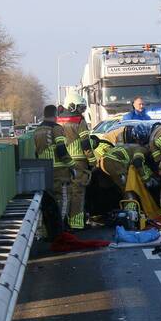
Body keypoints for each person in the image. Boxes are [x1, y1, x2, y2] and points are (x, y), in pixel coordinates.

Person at [33, 104, 73, 238]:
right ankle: (59, 230)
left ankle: (44, 232)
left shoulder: (37, 130)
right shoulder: (56, 128)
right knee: (62, 198)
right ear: (56, 115)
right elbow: (62, 150)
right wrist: (73, 165)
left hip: (43, 170)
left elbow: (36, 152)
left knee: (46, 201)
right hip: (59, 171)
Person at [59, 90, 96, 230]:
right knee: (77, 193)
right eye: (81, 108)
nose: (82, 111)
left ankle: (63, 222)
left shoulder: (57, 121)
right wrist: (92, 161)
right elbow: (85, 144)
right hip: (78, 161)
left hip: (61, 161)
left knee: (64, 193)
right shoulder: (79, 121)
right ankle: (76, 223)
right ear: (72, 106)